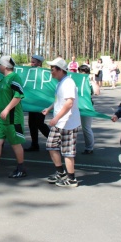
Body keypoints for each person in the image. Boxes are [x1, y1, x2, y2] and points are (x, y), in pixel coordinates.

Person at [42, 57, 81, 187]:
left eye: (52, 69)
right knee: (51, 145)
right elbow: (59, 100)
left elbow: (69, 103)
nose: (51, 72)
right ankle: (61, 173)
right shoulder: (60, 82)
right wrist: (49, 109)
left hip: (68, 123)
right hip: (60, 122)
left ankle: (71, 179)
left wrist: (56, 118)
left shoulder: (68, 83)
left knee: (67, 152)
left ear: (60, 70)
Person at [24, 55, 50, 152]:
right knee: (31, 124)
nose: (32, 64)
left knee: (39, 123)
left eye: (34, 62)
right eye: (31, 62)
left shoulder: (45, 73)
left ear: (39, 63)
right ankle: (34, 144)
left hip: (41, 102)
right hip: (32, 102)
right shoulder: (30, 73)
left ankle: (55, 141)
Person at [78, 65, 95, 155]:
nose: (81, 75)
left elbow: (96, 92)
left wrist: (92, 81)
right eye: (80, 72)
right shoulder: (75, 80)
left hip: (86, 107)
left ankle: (89, 147)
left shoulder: (90, 82)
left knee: (86, 128)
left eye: (83, 73)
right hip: (76, 106)